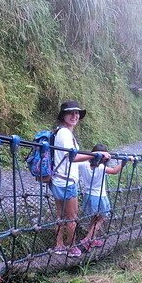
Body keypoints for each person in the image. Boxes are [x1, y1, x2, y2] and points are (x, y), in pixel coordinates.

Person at [51, 100, 110, 257]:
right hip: (66, 181)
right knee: (72, 217)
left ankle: (59, 245)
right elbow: (71, 157)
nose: (74, 115)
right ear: (63, 115)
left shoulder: (60, 132)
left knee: (61, 216)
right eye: (71, 113)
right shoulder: (65, 134)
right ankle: (71, 248)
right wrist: (95, 155)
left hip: (58, 179)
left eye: (77, 113)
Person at [79, 144, 131, 251]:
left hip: (88, 195)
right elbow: (114, 171)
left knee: (94, 219)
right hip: (99, 196)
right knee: (101, 218)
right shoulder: (101, 167)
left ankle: (92, 240)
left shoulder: (83, 164)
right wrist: (124, 161)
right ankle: (87, 239)